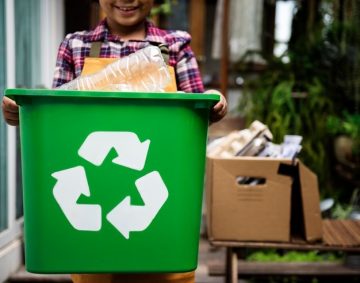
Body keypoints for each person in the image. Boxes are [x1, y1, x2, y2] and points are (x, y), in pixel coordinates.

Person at [2, 0, 227, 282]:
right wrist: (23, 116)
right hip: (92, 233)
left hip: (161, 232)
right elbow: (59, 122)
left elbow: (198, 113)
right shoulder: (76, 46)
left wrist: (215, 102)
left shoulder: (176, 47)